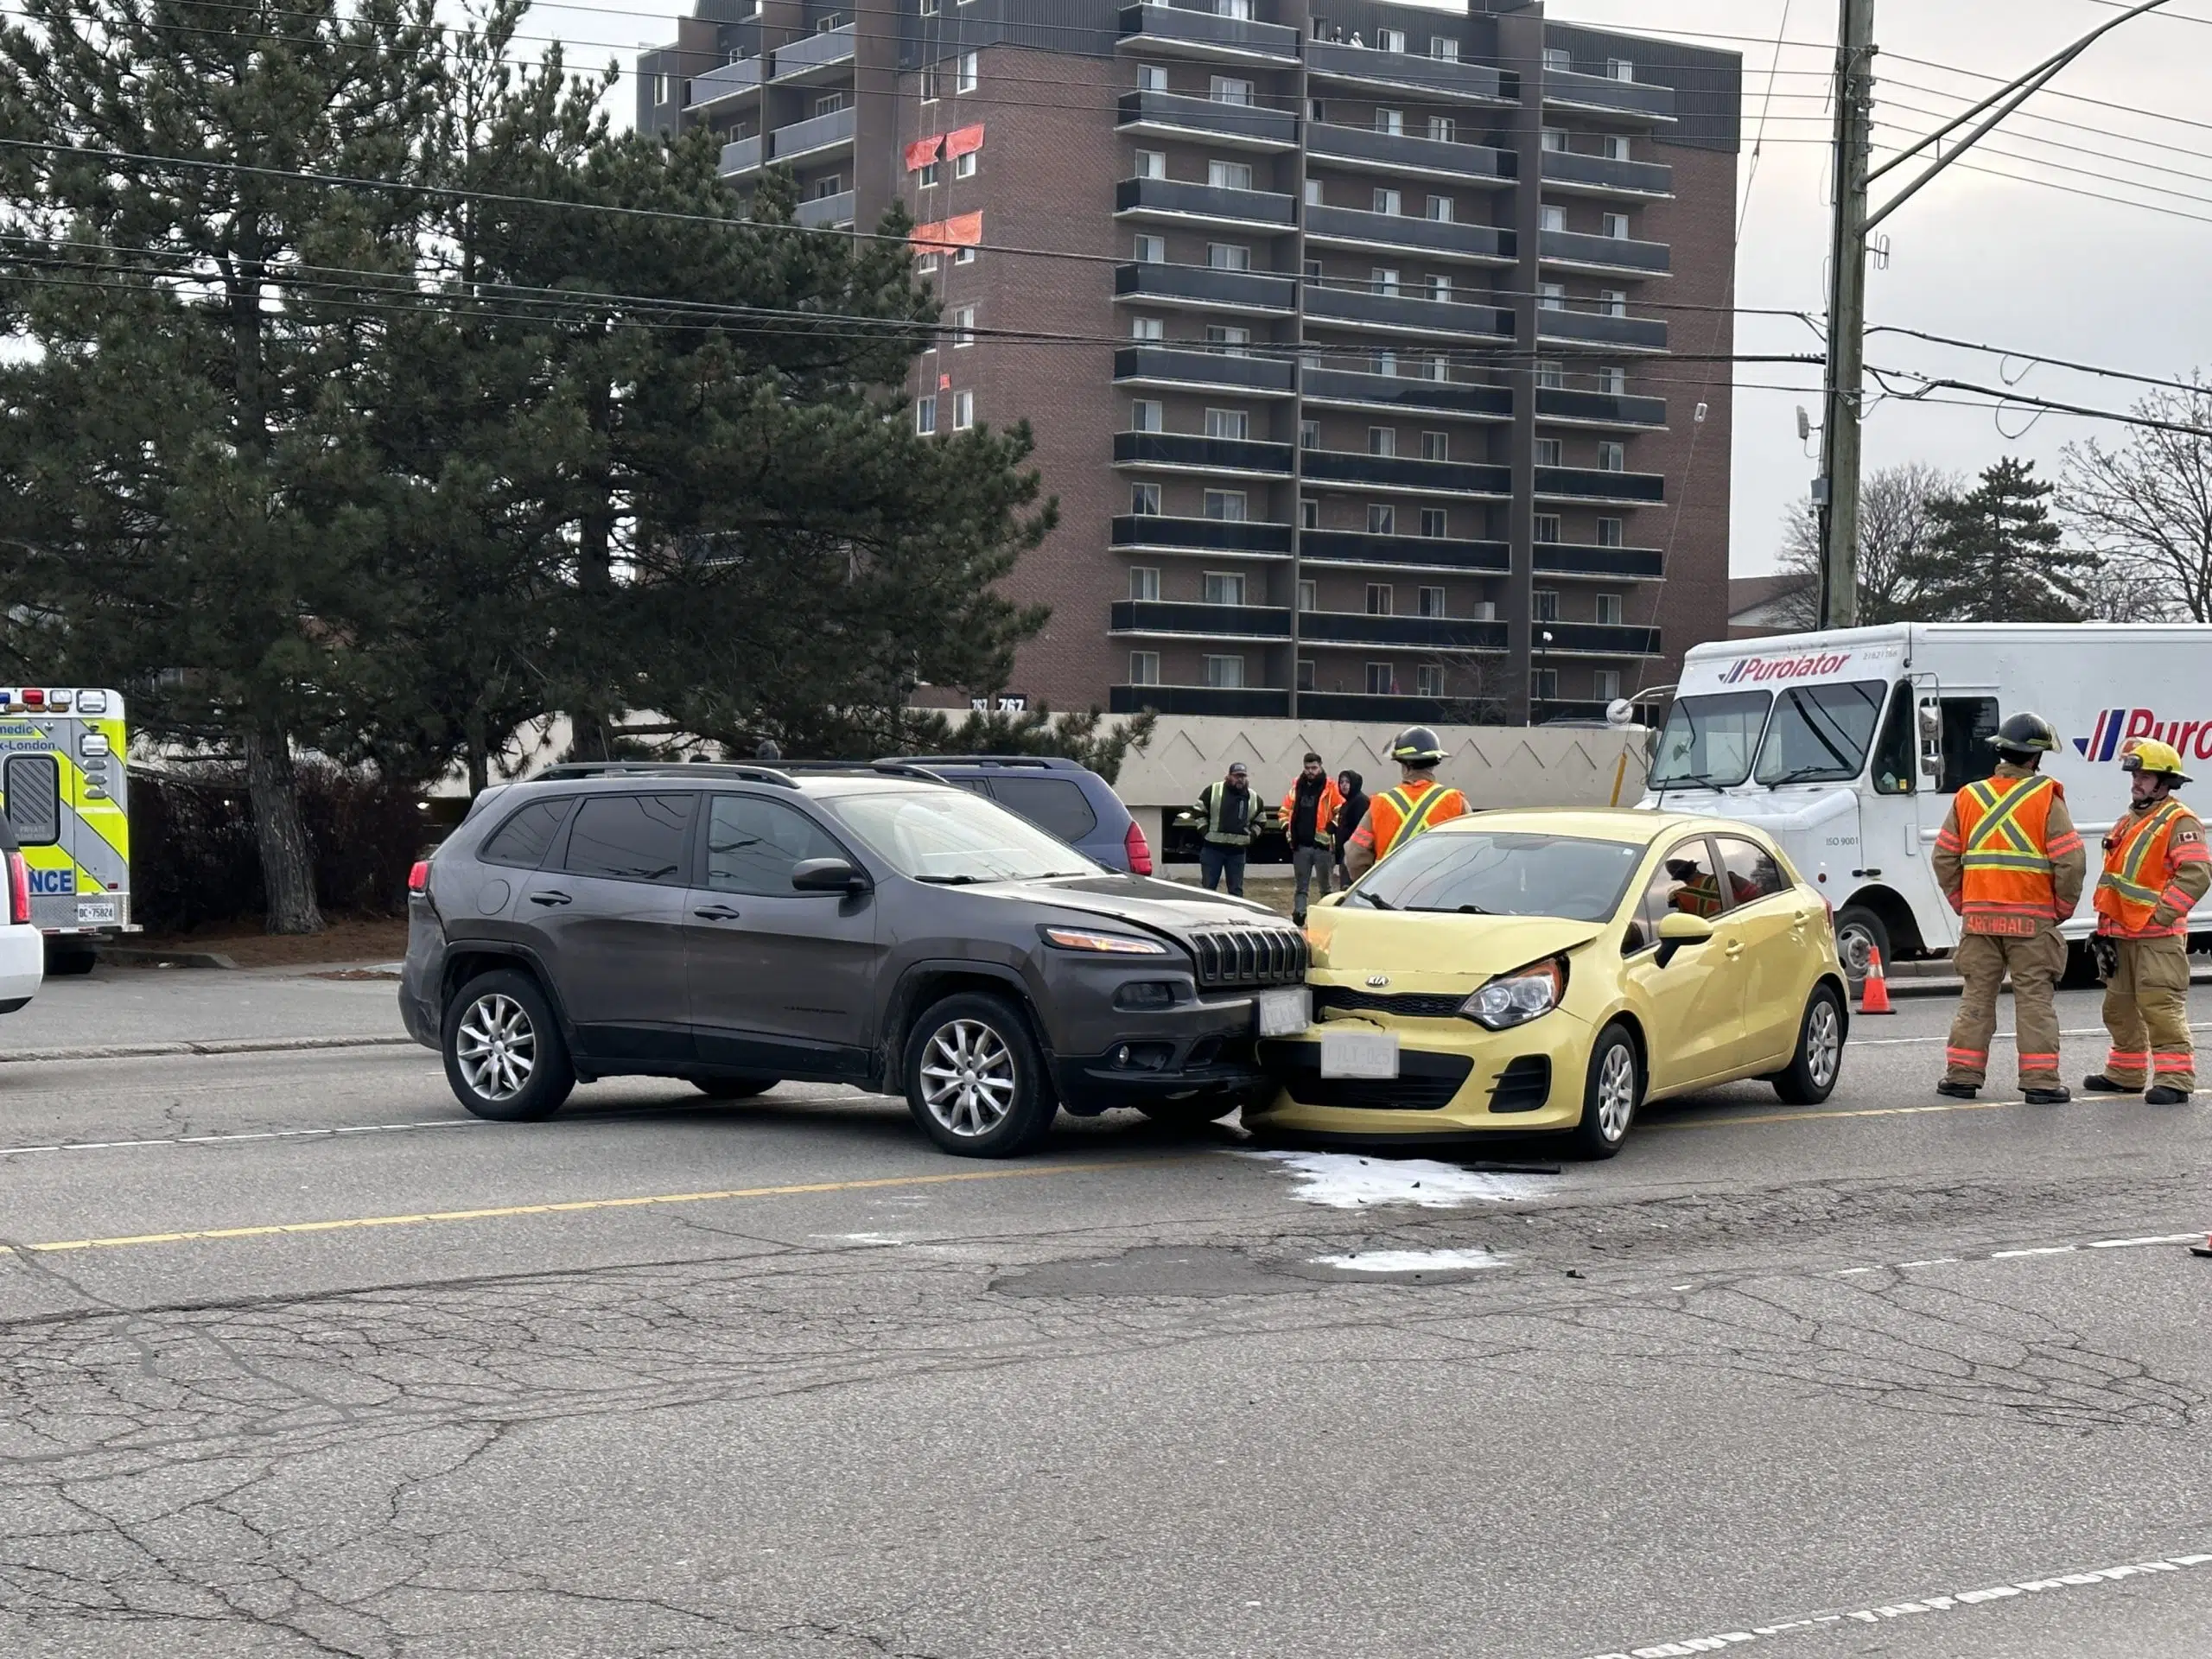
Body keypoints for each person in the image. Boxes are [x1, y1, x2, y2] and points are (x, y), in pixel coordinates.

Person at [1931, 711, 2087, 1103]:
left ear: (2001, 751)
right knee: (2034, 1000)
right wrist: (2062, 909)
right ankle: (2040, 1082)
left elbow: (1944, 857)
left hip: (1980, 921)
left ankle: (1962, 1076)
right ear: (2034, 759)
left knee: (1976, 998)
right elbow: (2070, 861)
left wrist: (1962, 903)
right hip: (2033, 923)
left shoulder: (1969, 796)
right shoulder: (2045, 797)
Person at [2082, 737, 2209, 1103]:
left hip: (2157, 938)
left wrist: (2160, 914)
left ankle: (2175, 1079)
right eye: (2135, 773)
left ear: (2165, 782)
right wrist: (2105, 928)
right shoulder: (2128, 821)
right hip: (2121, 936)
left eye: (2145, 775)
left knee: (2160, 1007)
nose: (2136, 781)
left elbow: (2196, 874)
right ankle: (2125, 1072)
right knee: (2119, 1008)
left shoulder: (2179, 820)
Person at [1342, 727, 1470, 880]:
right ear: (1436, 762)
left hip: (1389, 895)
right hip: (1441, 895)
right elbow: (1472, 853)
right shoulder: (1456, 802)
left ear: (1404, 764)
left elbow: (1355, 855)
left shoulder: (1381, 803)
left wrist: (1369, 887)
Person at [1280, 752, 1344, 925]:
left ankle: (1327, 917)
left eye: (1314, 768)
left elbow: (1341, 810)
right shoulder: (1296, 787)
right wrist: (1287, 828)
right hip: (1301, 846)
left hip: (1323, 846)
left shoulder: (1330, 787)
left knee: (1326, 888)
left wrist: (1334, 825)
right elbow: (1284, 811)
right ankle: (1299, 915)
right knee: (1301, 887)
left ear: (1320, 766)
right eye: (1307, 768)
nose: (1310, 771)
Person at [1195, 760, 1255, 896]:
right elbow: (1198, 812)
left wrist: (1251, 837)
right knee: (1208, 890)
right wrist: (1205, 832)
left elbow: (1260, 820)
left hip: (1237, 852)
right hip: (1212, 849)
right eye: (1236, 776)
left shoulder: (1252, 797)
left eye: (1242, 776)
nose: (1240, 779)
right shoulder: (1213, 791)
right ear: (1228, 776)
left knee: (1236, 892)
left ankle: (1235, 917)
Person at [1331, 768, 1367, 890]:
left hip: (1354, 854)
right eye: (1341, 782)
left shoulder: (1360, 801)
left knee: (1349, 888)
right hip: (1346, 852)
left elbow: (1359, 828)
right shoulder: (1347, 803)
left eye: (1347, 782)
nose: (1344, 785)